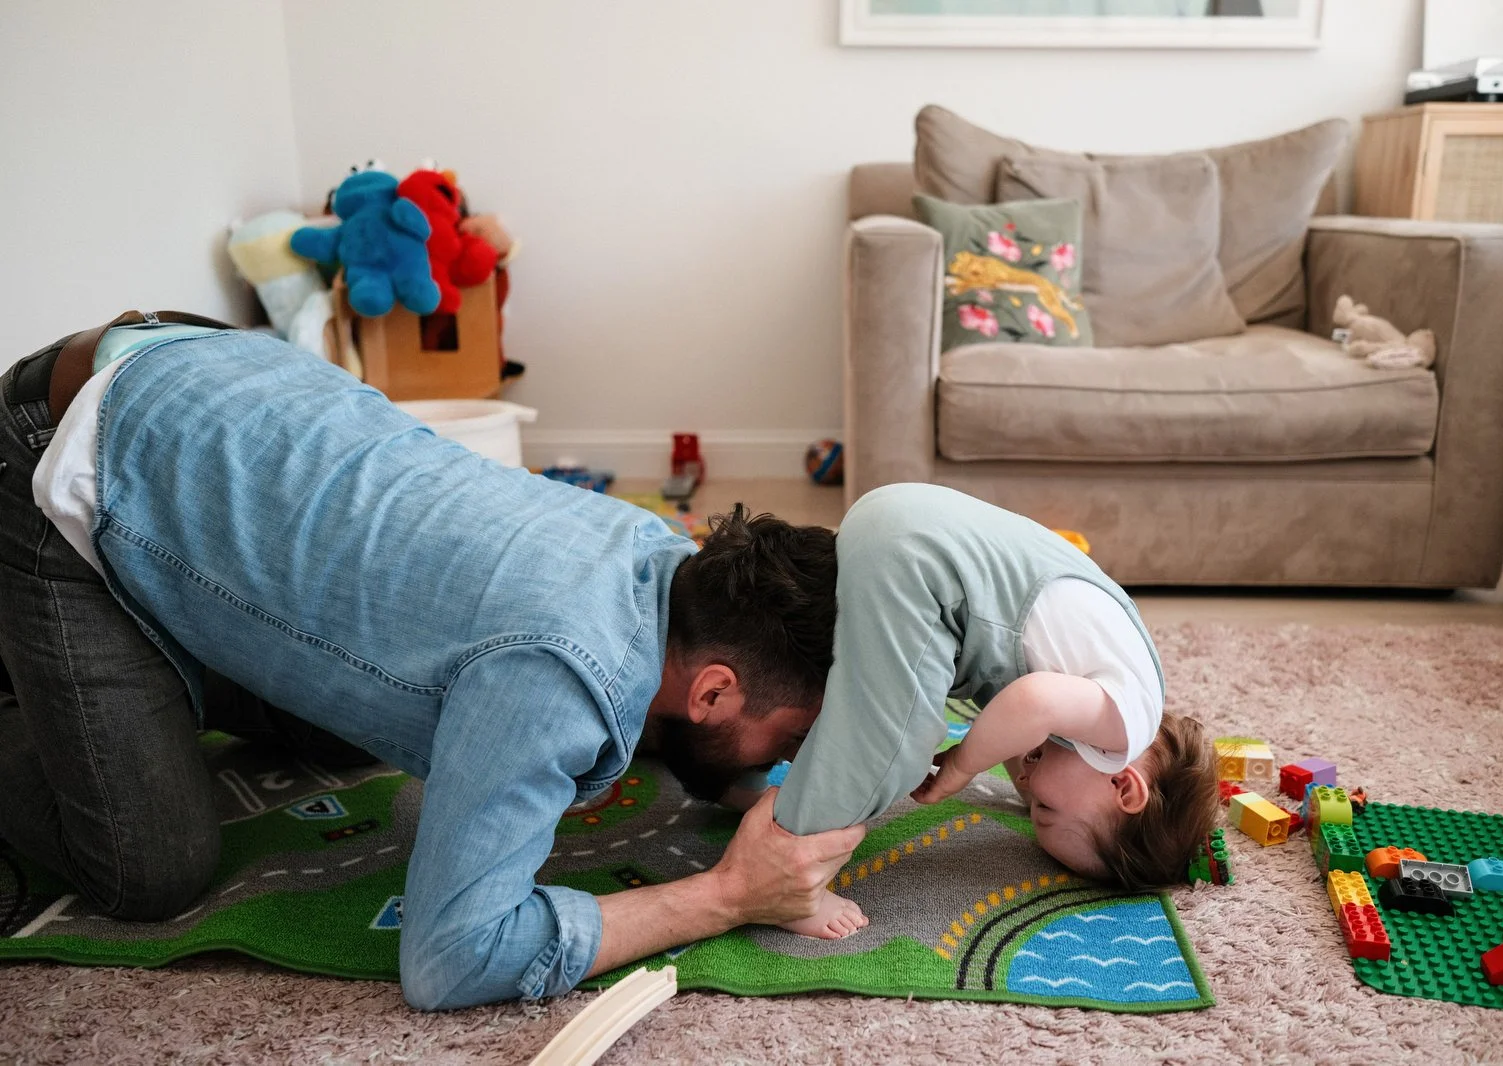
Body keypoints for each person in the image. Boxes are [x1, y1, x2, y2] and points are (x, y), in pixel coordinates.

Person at [0, 313, 865, 1009]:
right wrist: (727, 896)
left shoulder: (667, 558)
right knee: (147, 868)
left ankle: (144, 655)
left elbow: (683, 717)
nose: (785, 759)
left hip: (214, 375)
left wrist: (740, 780)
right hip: (61, 446)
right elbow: (452, 959)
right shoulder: (557, 673)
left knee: (349, 736)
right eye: (788, 738)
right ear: (716, 689)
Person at [772, 483, 1215, 932]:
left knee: (826, 676)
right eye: (1043, 806)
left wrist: (1031, 781)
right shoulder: (1123, 729)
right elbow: (1031, 702)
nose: (1024, 781)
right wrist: (963, 765)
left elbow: (1013, 713)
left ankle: (736, 773)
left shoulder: (1128, 686)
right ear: (1124, 788)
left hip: (909, 516)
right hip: (918, 570)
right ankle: (796, 880)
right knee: (887, 744)